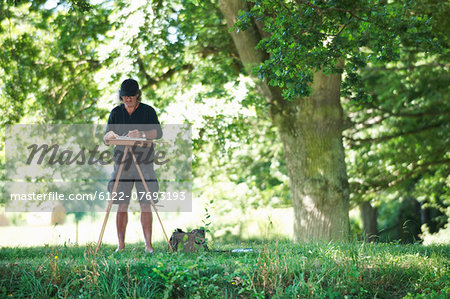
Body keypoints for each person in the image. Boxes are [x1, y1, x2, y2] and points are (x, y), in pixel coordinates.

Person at [104, 78, 162, 253]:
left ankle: (148, 246)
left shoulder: (148, 111)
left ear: (138, 95)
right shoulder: (116, 112)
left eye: (131, 96)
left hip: (144, 163)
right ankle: (120, 245)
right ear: (121, 97)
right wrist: (111, 136)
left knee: (146, 203)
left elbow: (158, 133)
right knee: (121, 203)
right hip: (122, 163)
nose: (128, 99)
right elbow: (106, 137)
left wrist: (142, 133)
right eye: (124, 96)